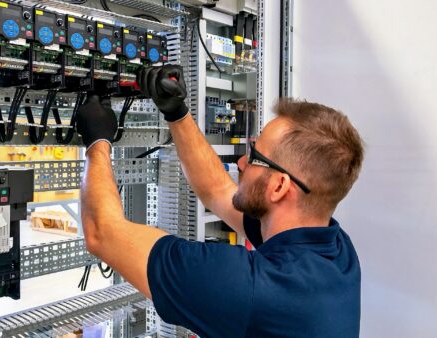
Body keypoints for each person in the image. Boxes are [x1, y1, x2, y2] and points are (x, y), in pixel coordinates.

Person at [76, 65, 364, 337]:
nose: (241, 162)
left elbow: (102, 232)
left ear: (278, 187)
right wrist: (176, 112)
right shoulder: (337, 251)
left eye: (255, 157)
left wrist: (97, 142)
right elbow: (217, 191)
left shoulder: (251, 289)